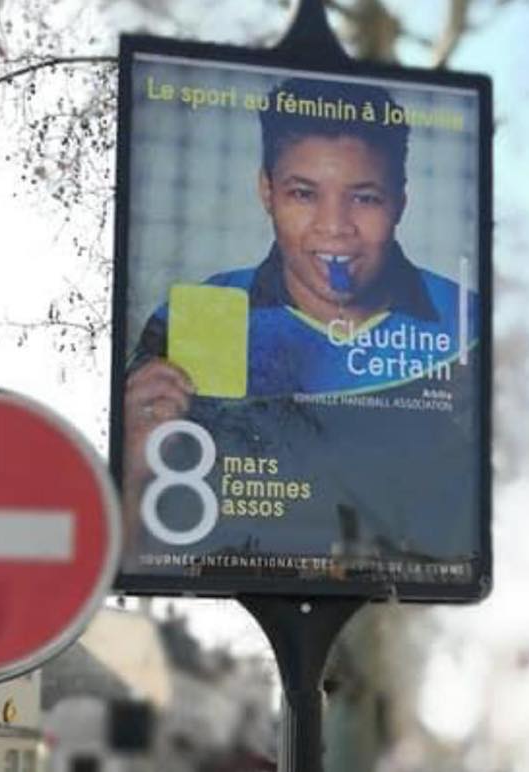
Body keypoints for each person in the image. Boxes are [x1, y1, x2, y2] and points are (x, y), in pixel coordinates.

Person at [124, 76, 471, 476]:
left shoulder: (464, 322)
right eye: (304, 194)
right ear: (267, 192)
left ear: (400, 203)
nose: (334, 226)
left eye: (365, 198)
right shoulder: (204, 318)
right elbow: (144, 514)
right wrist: (134, 463)